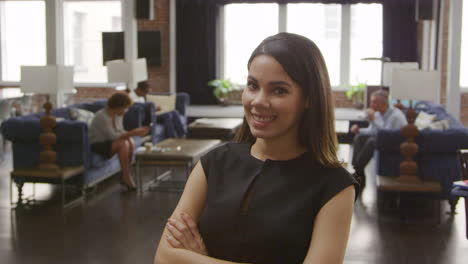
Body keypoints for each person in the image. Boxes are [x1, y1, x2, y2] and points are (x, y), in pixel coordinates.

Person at [154, 32, 357, 264]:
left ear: (309, 98)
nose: (259, 101)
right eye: (252, 85)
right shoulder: (214, 163)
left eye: (279, 90)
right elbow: (164, 258)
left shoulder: (334, 186)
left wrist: (200, 258)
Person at [88, 92, 149, 190]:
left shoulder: (118, 115)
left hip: (109, 142)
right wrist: (133, 133)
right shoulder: (101, 116)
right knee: (123, 143)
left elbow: (120, 131)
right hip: (97, 144)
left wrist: (131, 134)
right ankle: (126, 176)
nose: (126, 110)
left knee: (129, 141)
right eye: (125, 108)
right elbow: (112, 136)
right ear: (117, 106)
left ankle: (126, 174)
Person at [350, 89, 407, 190]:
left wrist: (373, 121)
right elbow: (372, 131)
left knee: (372, 141)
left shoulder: (396, 116)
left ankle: (357, 170)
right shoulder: (378, 114)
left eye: (374, 102)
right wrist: (359, 130)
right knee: (359, 137)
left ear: (383, 103)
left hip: (396, 144)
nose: (371, 104)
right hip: (384, 139)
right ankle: (358, 171)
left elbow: (386, 135)